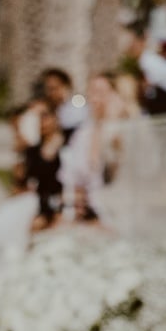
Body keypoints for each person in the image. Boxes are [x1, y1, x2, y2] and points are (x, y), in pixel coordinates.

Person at [60, 72, 125, 224]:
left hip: (113, 206)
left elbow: (113, 171)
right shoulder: (83, 132)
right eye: (92, 91)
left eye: (101, 92)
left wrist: (112, 120)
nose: (95, 98)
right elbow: (75, 175)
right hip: (86, 208)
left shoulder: (121, 130)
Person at [23, 108, 64, 230]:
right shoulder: (33, 151)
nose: (43, 124)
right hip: (43, 199)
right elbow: (32, 174)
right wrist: (48, 152)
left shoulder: (66, 145)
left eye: (46, 119)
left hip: (65, 197)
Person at [40, 68, 87, 140]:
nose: (50, 93)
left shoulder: (77, 108)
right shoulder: (46, 108)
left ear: (65, 87)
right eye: (48, 89)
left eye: (53, 88)